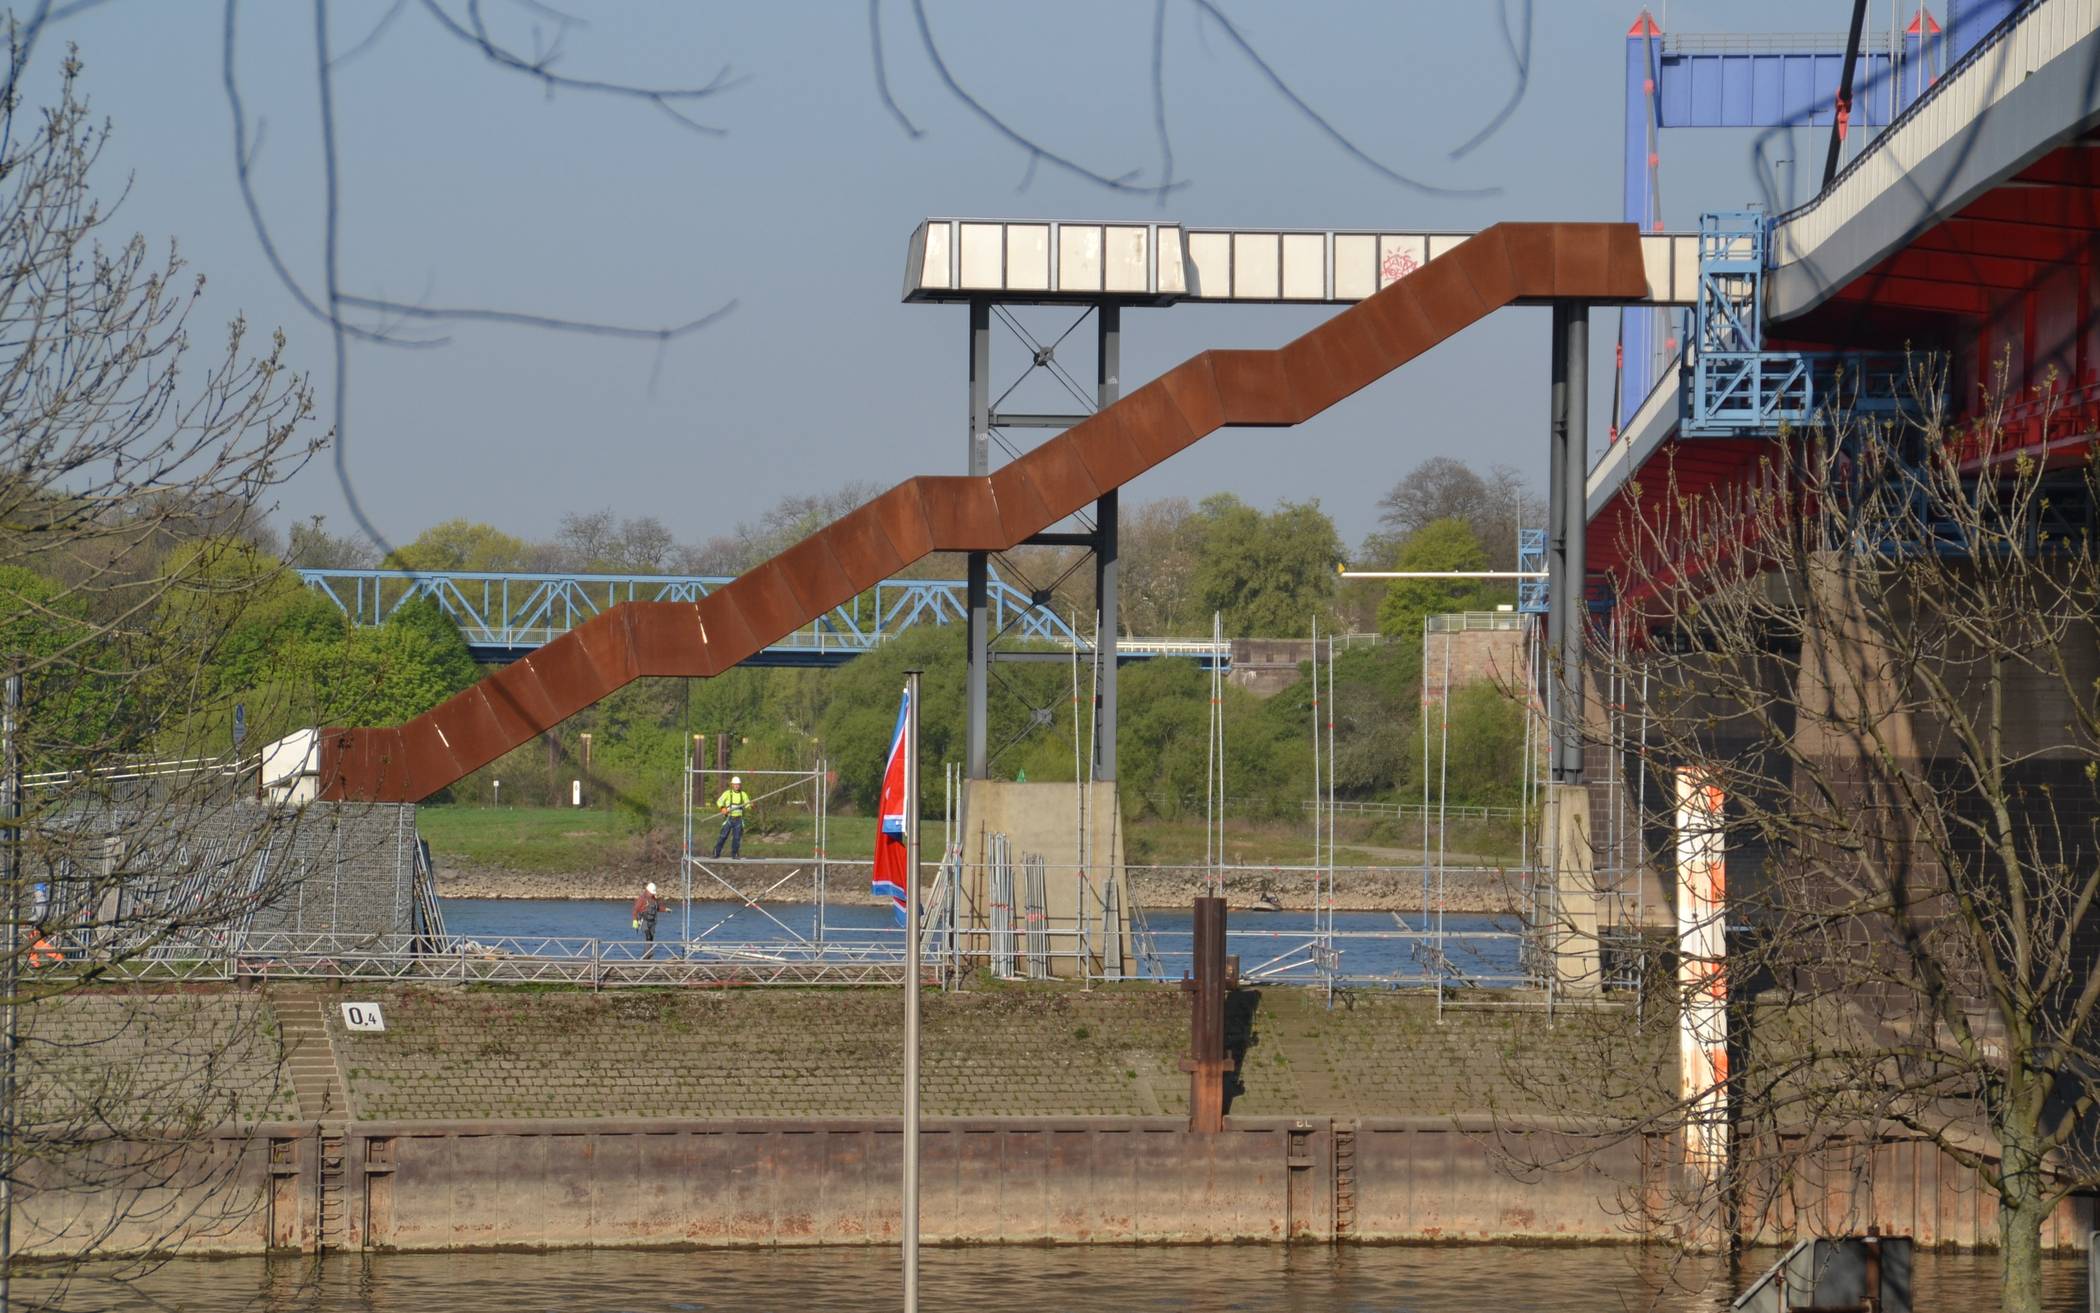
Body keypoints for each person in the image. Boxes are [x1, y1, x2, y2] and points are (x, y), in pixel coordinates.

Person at [712, 775, 751, 859]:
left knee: (736, 838)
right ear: (732, 785)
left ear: (740, 785)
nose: (737, 786)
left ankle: (735, 854)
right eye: (735, 784)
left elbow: (748, 805)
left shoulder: (743, 794)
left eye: (738, 784)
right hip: (729, 818)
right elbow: (719, 801)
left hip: (738, 820)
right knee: (723, 836)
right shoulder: (727, 793)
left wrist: (751, 806)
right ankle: (716, 853)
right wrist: (722, 808)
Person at [631, 881, 665, 959]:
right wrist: (635, 920)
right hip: (644, 921)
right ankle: (647, 954)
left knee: (651, 937)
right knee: (648, 936)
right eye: (651, 893)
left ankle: (647, 956)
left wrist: (665, 909)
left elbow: (657, 908)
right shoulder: (642, 899)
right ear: (647, 891)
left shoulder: (653, 899)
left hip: (652, 922)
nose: (653, 894)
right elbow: (635, 910)